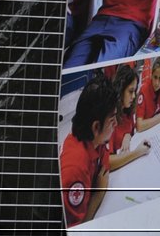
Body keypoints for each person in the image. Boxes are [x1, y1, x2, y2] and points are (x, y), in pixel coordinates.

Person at [60, 75, 119, 227]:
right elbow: (76, 229)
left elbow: (104, 168)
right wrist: (99, 194)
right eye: (112, 119)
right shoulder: (75, 168)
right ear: (96, 127)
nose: (116, 124)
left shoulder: (96, 139)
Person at [106, 64, 154, 168]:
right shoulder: (109, 117)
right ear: (121, 89)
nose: (133, 96)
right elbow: (107, 162)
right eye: (130, 91)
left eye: (135, 91)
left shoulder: (127, 111)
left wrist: (127, 135)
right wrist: (137, 152)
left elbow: (130, 132)